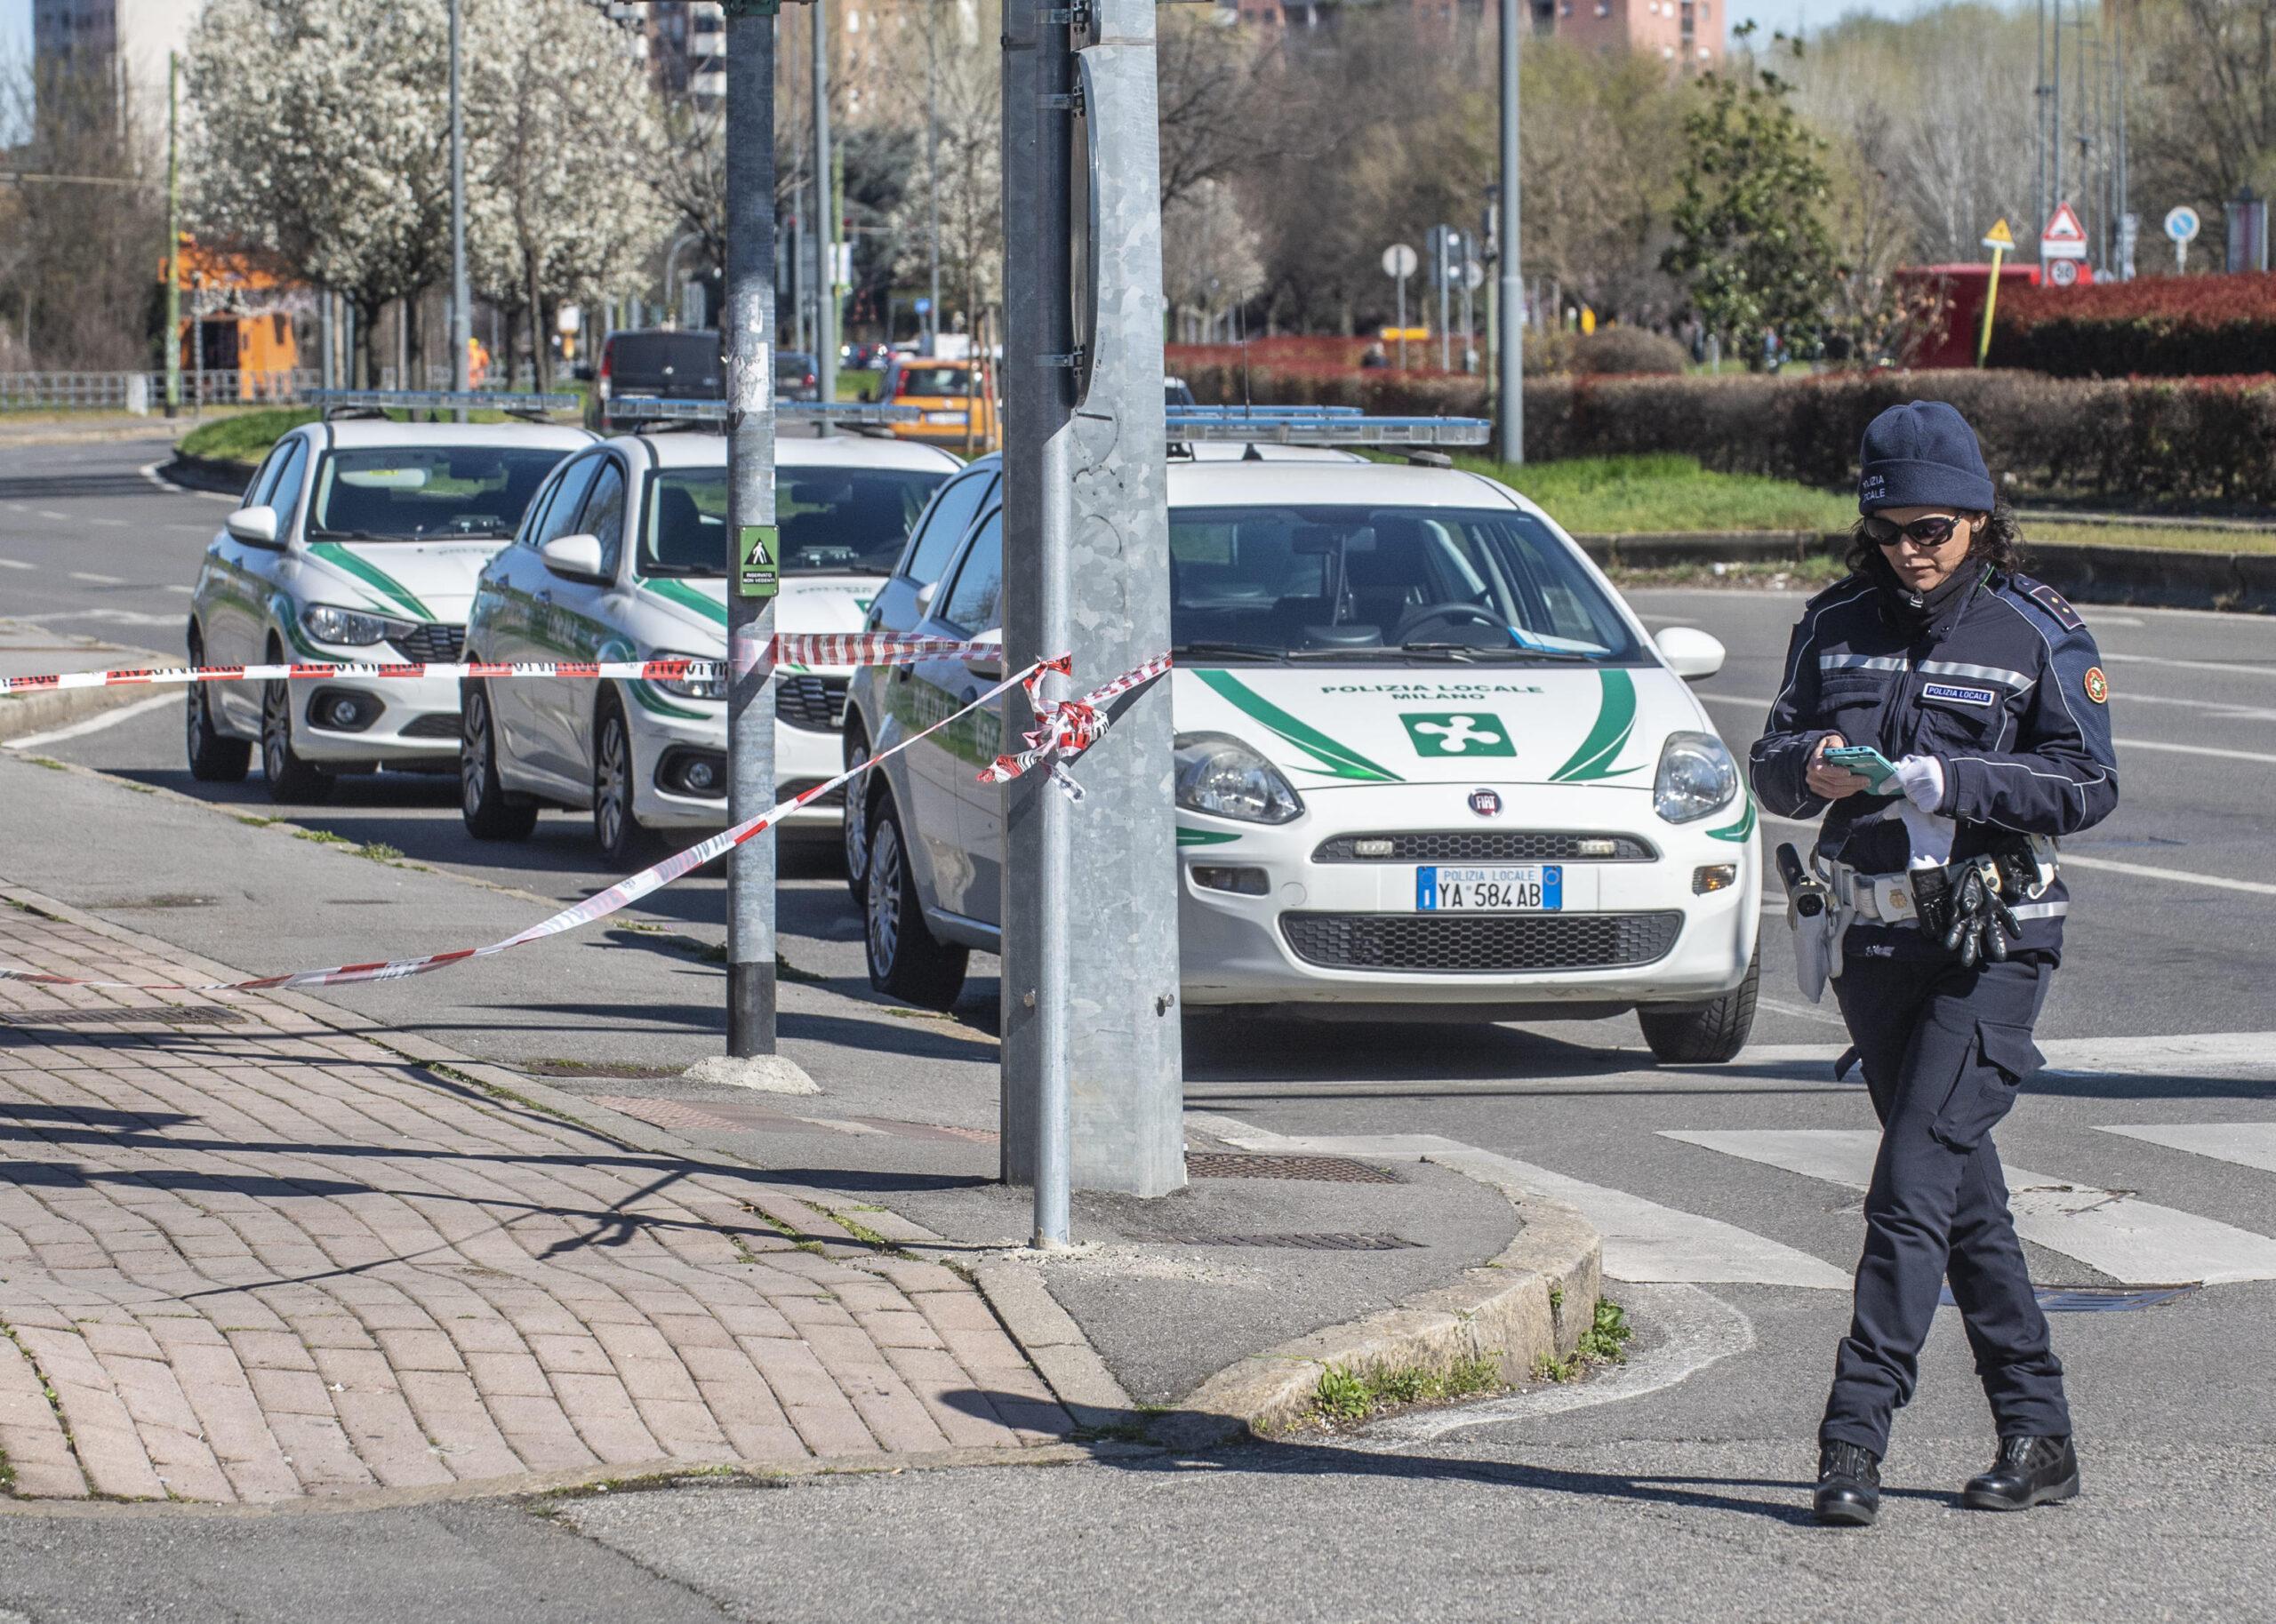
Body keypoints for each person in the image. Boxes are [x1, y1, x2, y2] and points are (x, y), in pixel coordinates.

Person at [1751, 400, 2120, 1527]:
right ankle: (2038, 1432)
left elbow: (2086, 781)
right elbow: (1766, 761)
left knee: (1910, 1184)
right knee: (1961, 1199)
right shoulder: (1832, 622)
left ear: (1979, 521)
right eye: (1889, 530)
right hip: (1872, 939)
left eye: (1933, 531)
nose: (1909, 551)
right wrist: (1807, 765)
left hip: (1991, 941)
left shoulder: (2033, 630)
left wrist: (1952, 783)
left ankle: (1850, 1441)